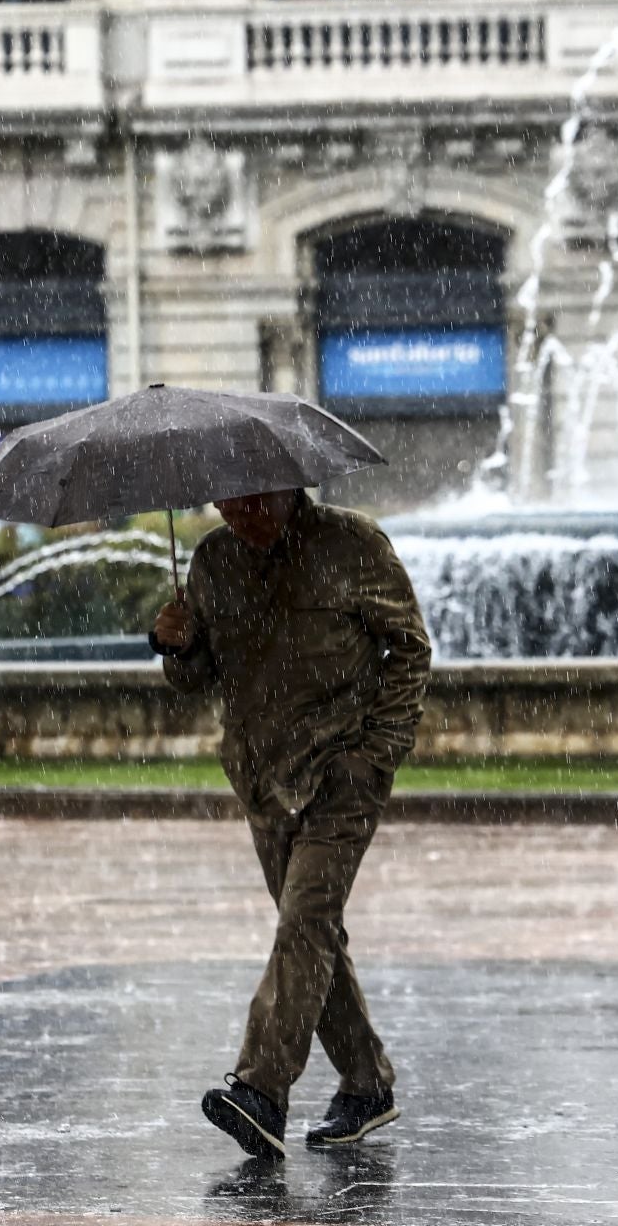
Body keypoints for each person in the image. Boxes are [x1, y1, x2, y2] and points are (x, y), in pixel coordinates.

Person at [151, 488, 431, 1159]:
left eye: (250, 504)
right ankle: (366, 1084)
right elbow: (198, 677)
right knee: (312, 932)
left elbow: (410, 649)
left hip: (342, 774)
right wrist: (177, 648)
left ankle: (260, 1089)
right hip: (261, 779)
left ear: (285, 485)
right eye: (223, 505)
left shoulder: (354, 544)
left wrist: (377, 752)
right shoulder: (214, 561)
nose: (235, 518)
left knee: (303, 920)